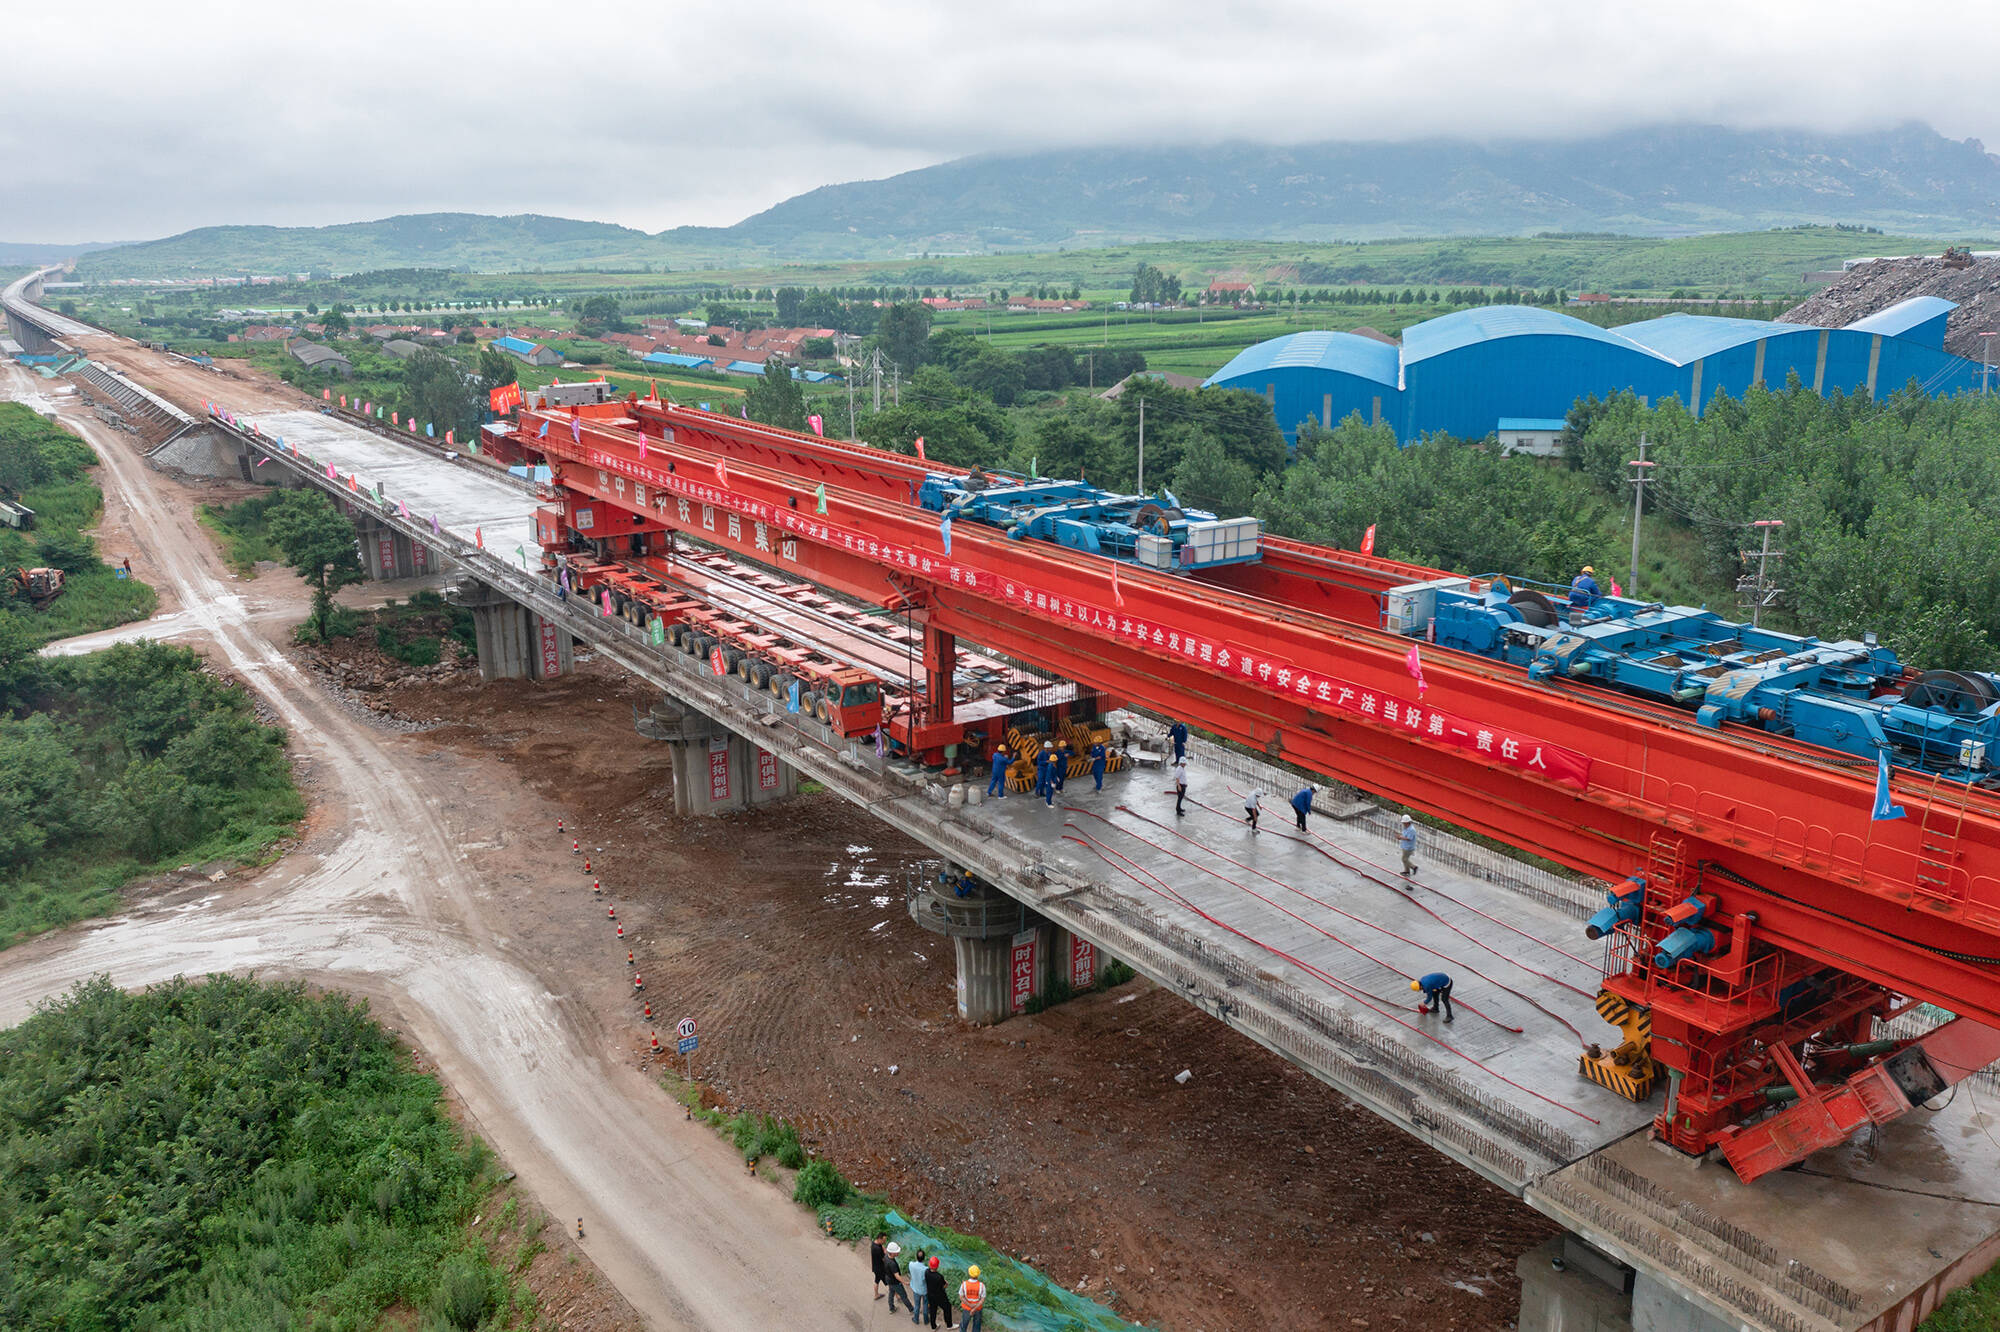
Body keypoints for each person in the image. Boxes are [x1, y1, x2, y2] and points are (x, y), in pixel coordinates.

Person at [924, 1256, 954, 1328]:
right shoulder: (939, 1276)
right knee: (947, 1307)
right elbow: (943, 1286)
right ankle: (949, 1325)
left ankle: (933, 1326)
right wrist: (946, 1284)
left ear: (929, 1264)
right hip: (939, 1296)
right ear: (937, 1266)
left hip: (930, 1295)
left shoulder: (926, 1272)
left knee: (933, 1310)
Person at [885, 1242, 913, 1314]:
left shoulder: (886, 1256)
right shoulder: (892, 1264)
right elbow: (897, 1276)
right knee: (904, 1296)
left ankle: (891, 1308)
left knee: (891, 1293)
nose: (898, 1252)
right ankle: (911, 1309)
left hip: (889, 1279)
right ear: (892, 1253)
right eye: (896, 1252)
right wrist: (905, 1282)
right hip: (895, 1282)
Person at [958, 1264, 987, 1332]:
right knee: (977, 1325)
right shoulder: (982, 1286)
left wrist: (970, 1305)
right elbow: (982, 1300)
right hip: (977, 1309)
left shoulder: (964, 1284)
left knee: (964, 1324)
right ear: (978, 1274)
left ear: (969, 1273)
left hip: (966, 1308)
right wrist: (974, 1308)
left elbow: (961, 1297)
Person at [909, 1247, 929, 1324]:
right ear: (924, 1258)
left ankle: (916, 1319)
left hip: (915, 1289)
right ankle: (926, 1320)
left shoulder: (911, 1265)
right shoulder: (926, 1269)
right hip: (924, 1290)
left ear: (916, 1257)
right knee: (925, 1305)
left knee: (917, 1305)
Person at [871, 1233, 890, 1300]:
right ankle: (897, 1295)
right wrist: (886, 1253)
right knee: (890, 1281)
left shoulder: (874, 1243)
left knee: (877, 1280)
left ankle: (876, 1295)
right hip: (880, 1269)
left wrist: (884, 1249)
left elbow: (881, 1246)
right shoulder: (878, 1249)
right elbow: (884, 1259)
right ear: (879, 1239)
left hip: (876, 1267)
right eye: (884, 1240)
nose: (885, 1242)